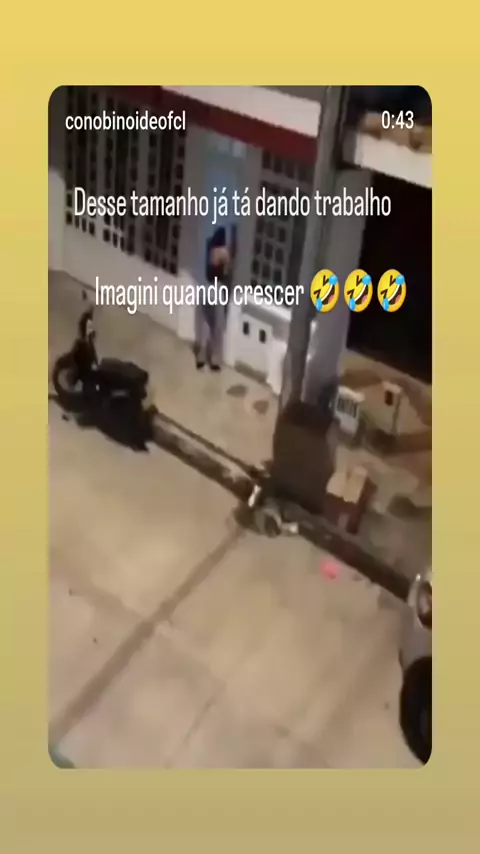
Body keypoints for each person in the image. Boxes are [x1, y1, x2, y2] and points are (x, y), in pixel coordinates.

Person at [195, 226, 231, 371]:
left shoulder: (208, 246)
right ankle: (214, 360)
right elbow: (226, 271)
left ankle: (201, 357)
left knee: (204, 325)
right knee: (217, 328)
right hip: (217, 290)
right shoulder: (223, 252)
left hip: (205, 288)